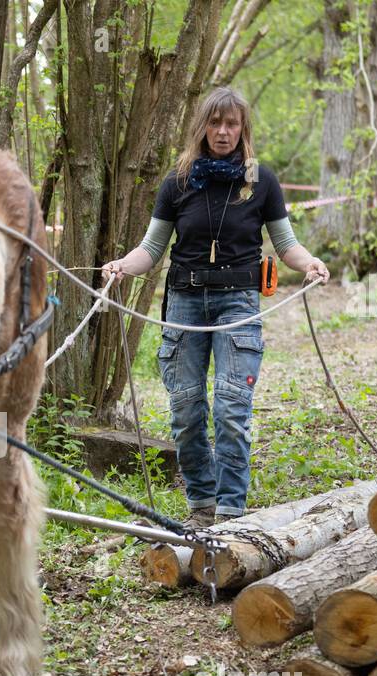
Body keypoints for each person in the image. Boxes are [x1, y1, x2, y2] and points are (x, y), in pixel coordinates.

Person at [102, 86, 329, 528]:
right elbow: (151, 248)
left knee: (231, 406)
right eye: (215, 123)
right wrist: (122, 267)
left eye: (231, 123)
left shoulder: (261, 182)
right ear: (202, 127)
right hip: (184, 301)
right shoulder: (178, 181)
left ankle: (230, 511)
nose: (222, 132)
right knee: (186, 410)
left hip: (238, 303)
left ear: (242, 129)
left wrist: (311, 263)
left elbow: (286, 245)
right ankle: (201, 507)